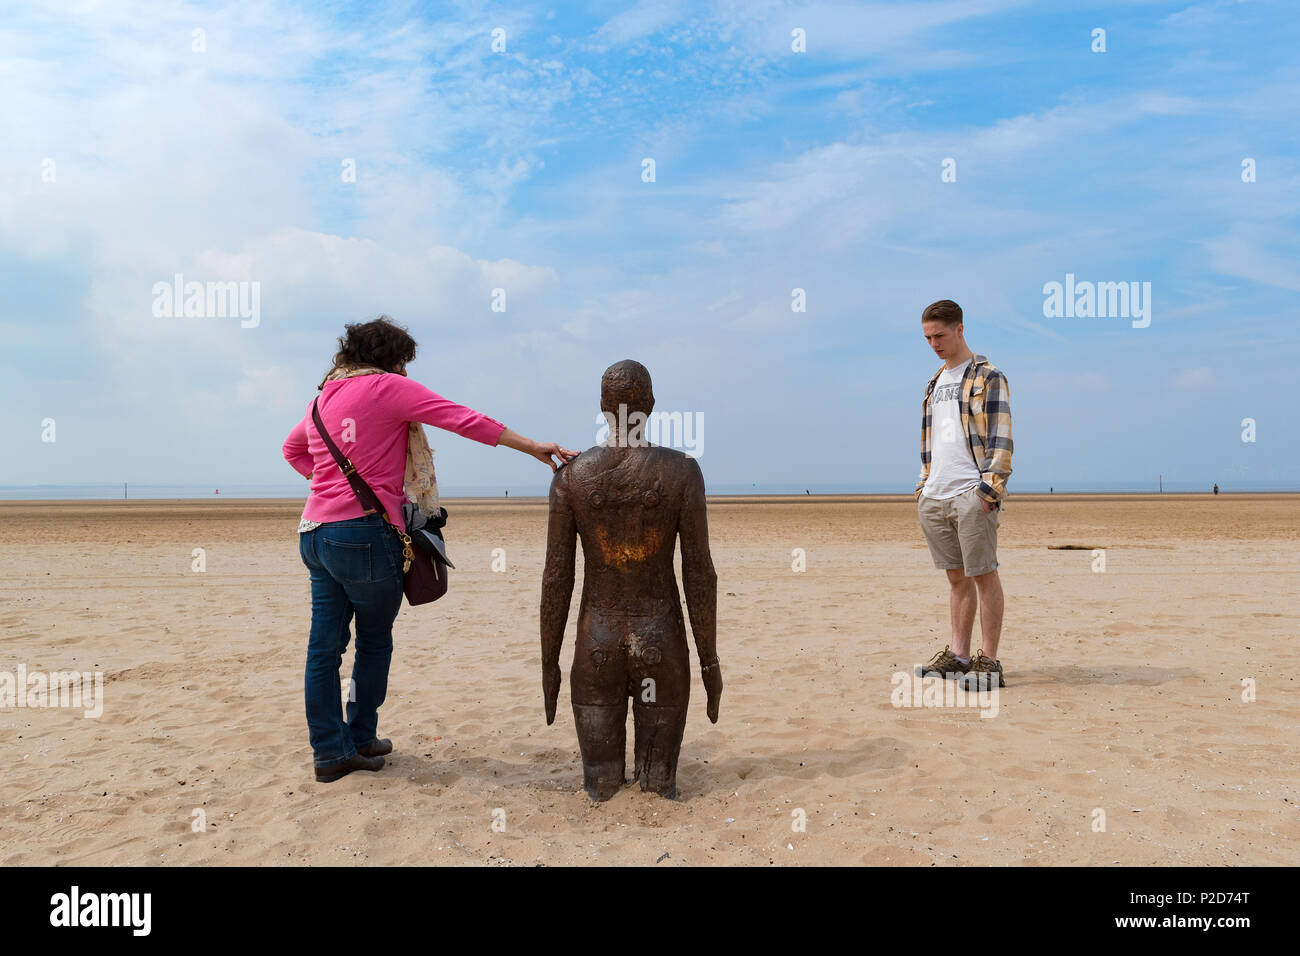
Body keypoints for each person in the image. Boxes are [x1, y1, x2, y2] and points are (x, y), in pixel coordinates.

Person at [283, 316, 577, 783]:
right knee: (373, 640)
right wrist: (531, 447)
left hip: (314, 532)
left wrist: (330, 487)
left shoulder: (323, 397)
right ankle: (359, 738)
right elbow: (462, 418)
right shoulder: (386, 388)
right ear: (391, 358)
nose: (405, 369)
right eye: (403, 360)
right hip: (362, 535)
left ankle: (330, 752)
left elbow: (293, 449)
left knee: (324, 649)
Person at [540, 360, 720, 800]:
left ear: (602, 408)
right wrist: (709, 660)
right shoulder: (681, 471)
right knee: (659, 783)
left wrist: (550, 663)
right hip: (660, 634)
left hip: (595, 640)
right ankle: (655, 790)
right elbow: (699, 572)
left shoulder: (571, 477)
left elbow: (556, 578)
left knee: (599, 783)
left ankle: (605, 791)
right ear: (652, 405)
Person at [913, 300, 1013, 689]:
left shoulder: (989, 377)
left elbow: (1000, 439)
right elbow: (931, 441)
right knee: (956, 579)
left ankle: (988, 661)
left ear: (959, 329)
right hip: (936, 494)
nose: (933, 343)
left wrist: (988, 490)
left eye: (939, 335)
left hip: (972, 492)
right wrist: (924, 486)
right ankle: (958, 655)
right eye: (927, 338)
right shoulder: (934, 383)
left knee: (983, 574)